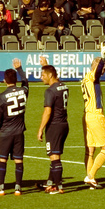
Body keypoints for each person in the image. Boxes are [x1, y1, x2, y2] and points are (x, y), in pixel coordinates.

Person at [0, 62, 31, 196]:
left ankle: (1, 188)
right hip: (19, 132)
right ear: (16, 80)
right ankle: (18, 188)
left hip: (5, 132)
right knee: (19, 160)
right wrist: (19, 68)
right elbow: (25, 82)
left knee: (2, 160)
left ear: (4, 80)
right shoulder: (23, 91)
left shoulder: (1, 97)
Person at [78, 45, 105, 188]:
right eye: (103, 67)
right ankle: (90, 176)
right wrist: (103, 56)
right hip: (96, 116)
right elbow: (97, 71)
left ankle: (91, 179)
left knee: (90, 150)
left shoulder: (85, 79)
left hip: (87, 116)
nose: (104, 70)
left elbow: (98, 71)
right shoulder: (92, 77)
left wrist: (104, 59)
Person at [36, 59, 71, 194]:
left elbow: (48, 111)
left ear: (50, 75)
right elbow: (55, 75)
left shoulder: (50, 91)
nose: (41, 78)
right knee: (56, 154)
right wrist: (45, 65)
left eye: (43, 75)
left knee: (54, 156)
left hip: (54, 126)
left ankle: (58, 186)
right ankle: (50, 183)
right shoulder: (63, 86)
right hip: (64, 125)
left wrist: (40, 129)